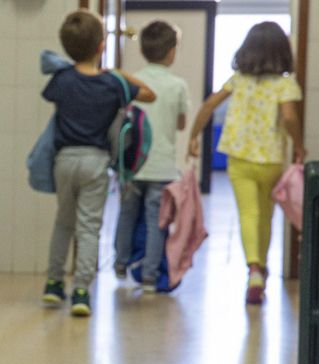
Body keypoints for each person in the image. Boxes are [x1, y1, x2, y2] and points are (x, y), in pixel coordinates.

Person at [42, 10, 155, 318]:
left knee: (63, 222)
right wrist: (118, 72)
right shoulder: (112, 85)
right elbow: (149, 94)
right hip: (95, 161)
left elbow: (51, 92)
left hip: (64, 160)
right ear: (101, 46)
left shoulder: (61, 80)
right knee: (89, 228)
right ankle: (81, 290)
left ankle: (53, 284)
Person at [187, 21, 304, 304]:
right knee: (266, 215)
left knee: (248, 214)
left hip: (239, 158)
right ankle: (261, 267)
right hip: (270, 159)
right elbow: (288, 117)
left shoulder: (238, 79)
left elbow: (208, 105)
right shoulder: (285, 84)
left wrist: (193, 136)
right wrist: (299, 145)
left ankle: (253, 269)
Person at [114, 20, 189, 293]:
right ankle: (149, 276)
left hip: (133, 165)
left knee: (126, 213)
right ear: (172, 51)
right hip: (162, 166)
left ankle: (121, 263)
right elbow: (181, 124)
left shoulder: (134, 81)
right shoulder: (178, 85)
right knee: (156, 221)